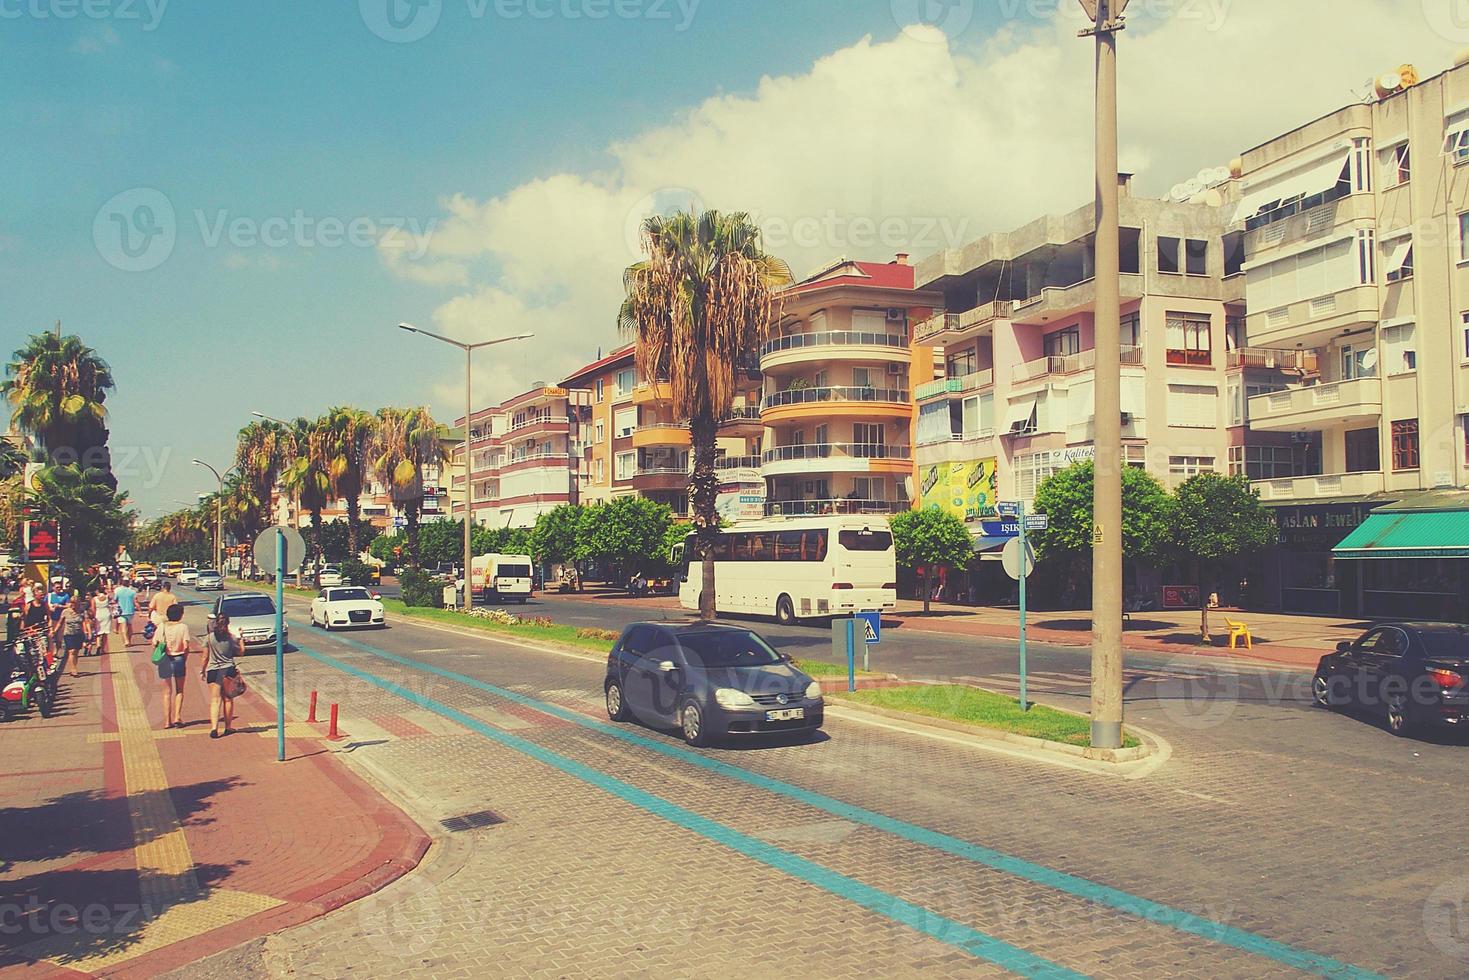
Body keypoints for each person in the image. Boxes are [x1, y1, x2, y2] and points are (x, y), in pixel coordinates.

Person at [201, 613, 242, 738]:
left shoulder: (208, 638)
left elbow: (205, 657)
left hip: (213, 671)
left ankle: (214, 728)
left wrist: (202, 670)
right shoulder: (231, 638)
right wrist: (241, 639)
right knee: (228, 699)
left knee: (215, 700)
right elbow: (240, 652)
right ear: (228, 623)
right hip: (228, 670)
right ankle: (228, 727)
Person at [157, 603, 193, 730]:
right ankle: (177, 717)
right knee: (179, 690)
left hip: (164, 660)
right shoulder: (183, 627)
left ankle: (167, 721)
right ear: (180, 615)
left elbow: (154, 642)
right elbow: (186, 646)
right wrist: (185, 658)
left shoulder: (162, 626)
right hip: (179, 658)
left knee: (166, 693)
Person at [54, 595, 92, 679]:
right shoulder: (65, 612)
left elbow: (86, 622)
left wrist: (89, 632)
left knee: (76, 652)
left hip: (78, 634)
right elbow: (60, 622)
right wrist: (55, 631)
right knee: (71, 651)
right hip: (68, 634)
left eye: (75, 603)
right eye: (72, 603)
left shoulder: (82, 611)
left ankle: (73, 666)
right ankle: (73, 669)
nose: (73, 605)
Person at [148, 581, 180, 649]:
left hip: (158, 617)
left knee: (158, 632)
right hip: (168, 617)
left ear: (163, 587)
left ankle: (156, 645)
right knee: (168, 633)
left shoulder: (157, 595)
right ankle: (168, 646)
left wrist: (149, 614)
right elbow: (175, 607)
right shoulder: (172, 597)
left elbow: (151, 607)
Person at [113, 579, 138, 647]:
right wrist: (140, 610)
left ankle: (126, 640)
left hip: (121, 611)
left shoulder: (118, 591)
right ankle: (129, 640)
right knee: (129, 626)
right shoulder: (133, 592)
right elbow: (135, 602)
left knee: (123, 627)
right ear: (128, 584)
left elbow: (115, 600)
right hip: (130, 611)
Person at [91, 587, 113, 656]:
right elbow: (112, 600)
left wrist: (94, 617)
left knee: (98, 632)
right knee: (105, 633)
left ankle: (98, 645)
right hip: (106, 614)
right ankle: (103, 649)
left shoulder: (94, 599)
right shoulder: (107, 597)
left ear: (97, 591)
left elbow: (93, 608)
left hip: (98, 614)